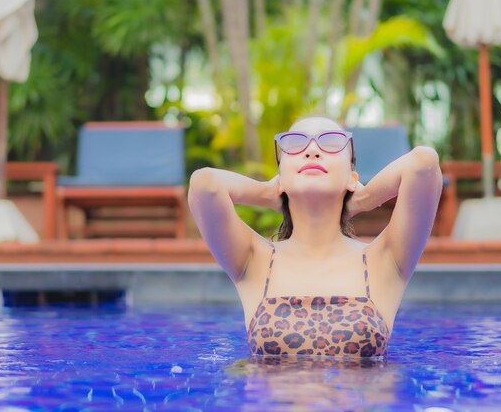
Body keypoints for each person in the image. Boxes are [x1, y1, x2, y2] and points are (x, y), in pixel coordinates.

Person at [188, 116, 443, 358]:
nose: (312, 150)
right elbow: (205, 184)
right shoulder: (254, 259)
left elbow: (423, 163)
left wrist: (365, 200)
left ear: (352, 177)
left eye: (332, 142)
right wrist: (267, 192)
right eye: (295, 143)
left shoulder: (385, 259)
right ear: (280, 177)